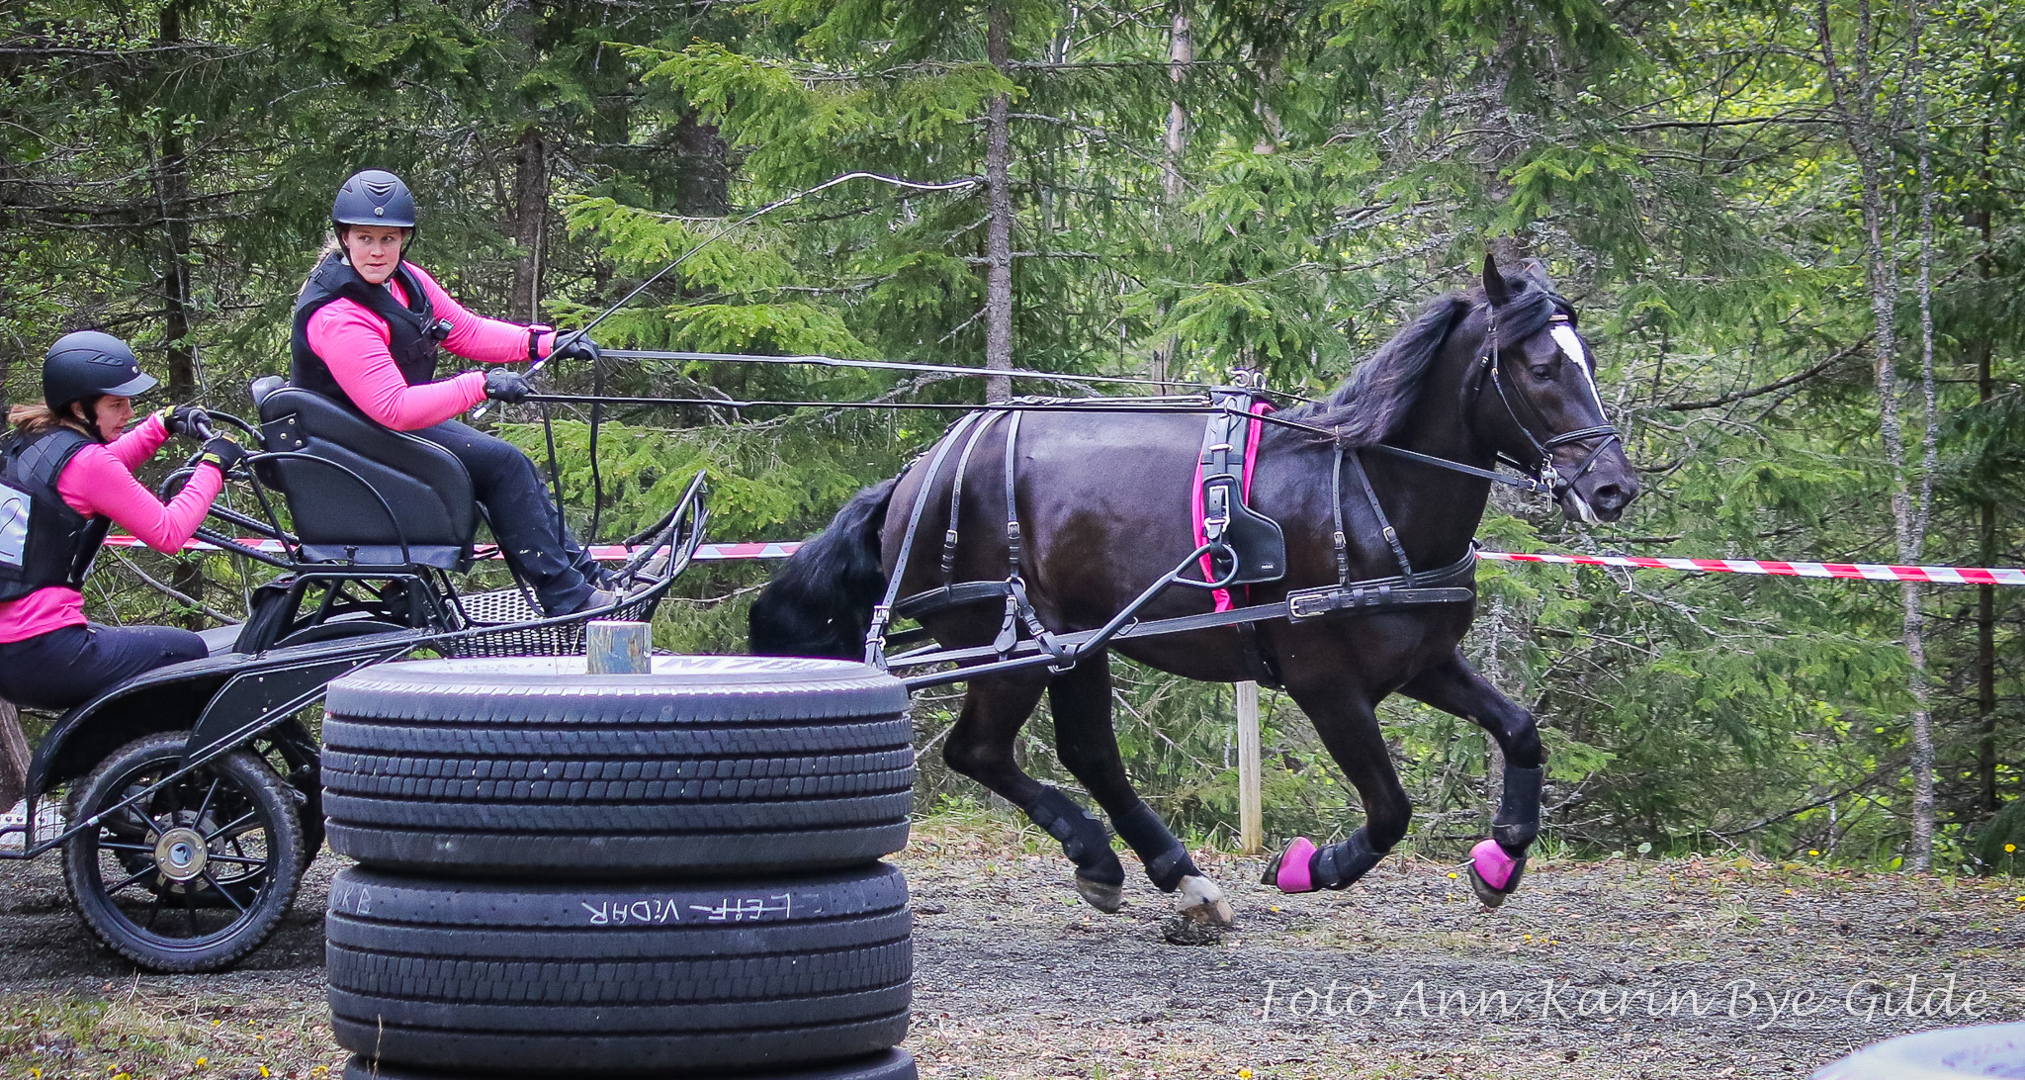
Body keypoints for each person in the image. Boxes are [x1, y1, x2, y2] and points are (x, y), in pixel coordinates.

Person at [290, 169, 614, 615]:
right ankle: (567, 597)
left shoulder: (407, 281)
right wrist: (479, 383)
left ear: (405, 239)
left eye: (389, 239)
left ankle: (584, 577)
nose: (377, 251)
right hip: (349, 444)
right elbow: (395, 407)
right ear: (344, 237)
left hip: (373, 431)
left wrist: (543, 342)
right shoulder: (340, 315)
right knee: (502, 464)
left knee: (509, 462)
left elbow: (464, 330)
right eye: (365, 238)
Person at [0, 331, 241, 711]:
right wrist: (214, 466)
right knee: (187, 651)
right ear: (80, 409)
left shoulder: (33, 441)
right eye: (116, 404)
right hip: (47, 649)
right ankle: (161, 759)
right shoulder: (88, 463)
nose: (129, 413)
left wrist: (160, 424)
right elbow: (169, 532)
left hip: (15, 654)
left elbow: (100, 474)